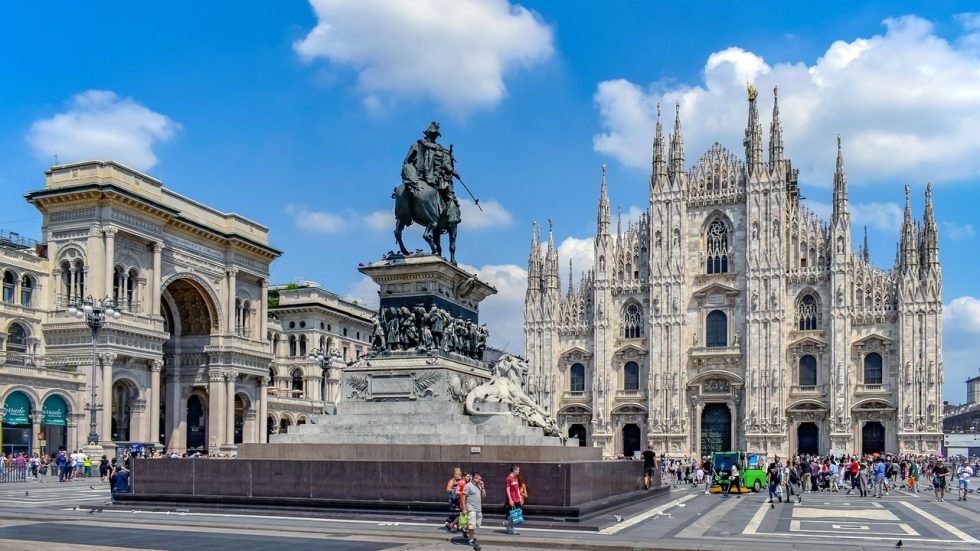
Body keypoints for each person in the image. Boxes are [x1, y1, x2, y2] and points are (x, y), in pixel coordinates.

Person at [460, 471, 486, 551]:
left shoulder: (479, 486)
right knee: (472, 524)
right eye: (479, 478)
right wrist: (464, 508)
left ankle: (464, 529)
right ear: (475, 478)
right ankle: (470, 539)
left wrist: (483, 487)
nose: (480, 479)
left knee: (477, 524)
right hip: (471, 508)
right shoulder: (468, 486)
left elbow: (484, 496)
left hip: (478, 509)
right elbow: (463, 497)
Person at [504, 465, 524, 535]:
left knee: (515, 514)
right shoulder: (508, 478)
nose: (519, 471)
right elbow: (508, 489)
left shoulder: (516, 478)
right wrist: (510, 500)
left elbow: (517, 488)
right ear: (514, 470)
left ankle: (508, 524)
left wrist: (520, 497)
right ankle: (510, 528)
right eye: (518, 470)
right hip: (512, 499)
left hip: (517, 499)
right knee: (512, 515)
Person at [444, 468, 464, 532]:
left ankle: (455, 525)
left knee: (459, 513)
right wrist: (455, 490)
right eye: (456, 474)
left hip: (460, 499)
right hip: (453, 499)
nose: (457, 475)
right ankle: (449, 523)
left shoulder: (462, 481)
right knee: (454, 513)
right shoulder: (452, 481)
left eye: (459, 474)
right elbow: (448, 489)